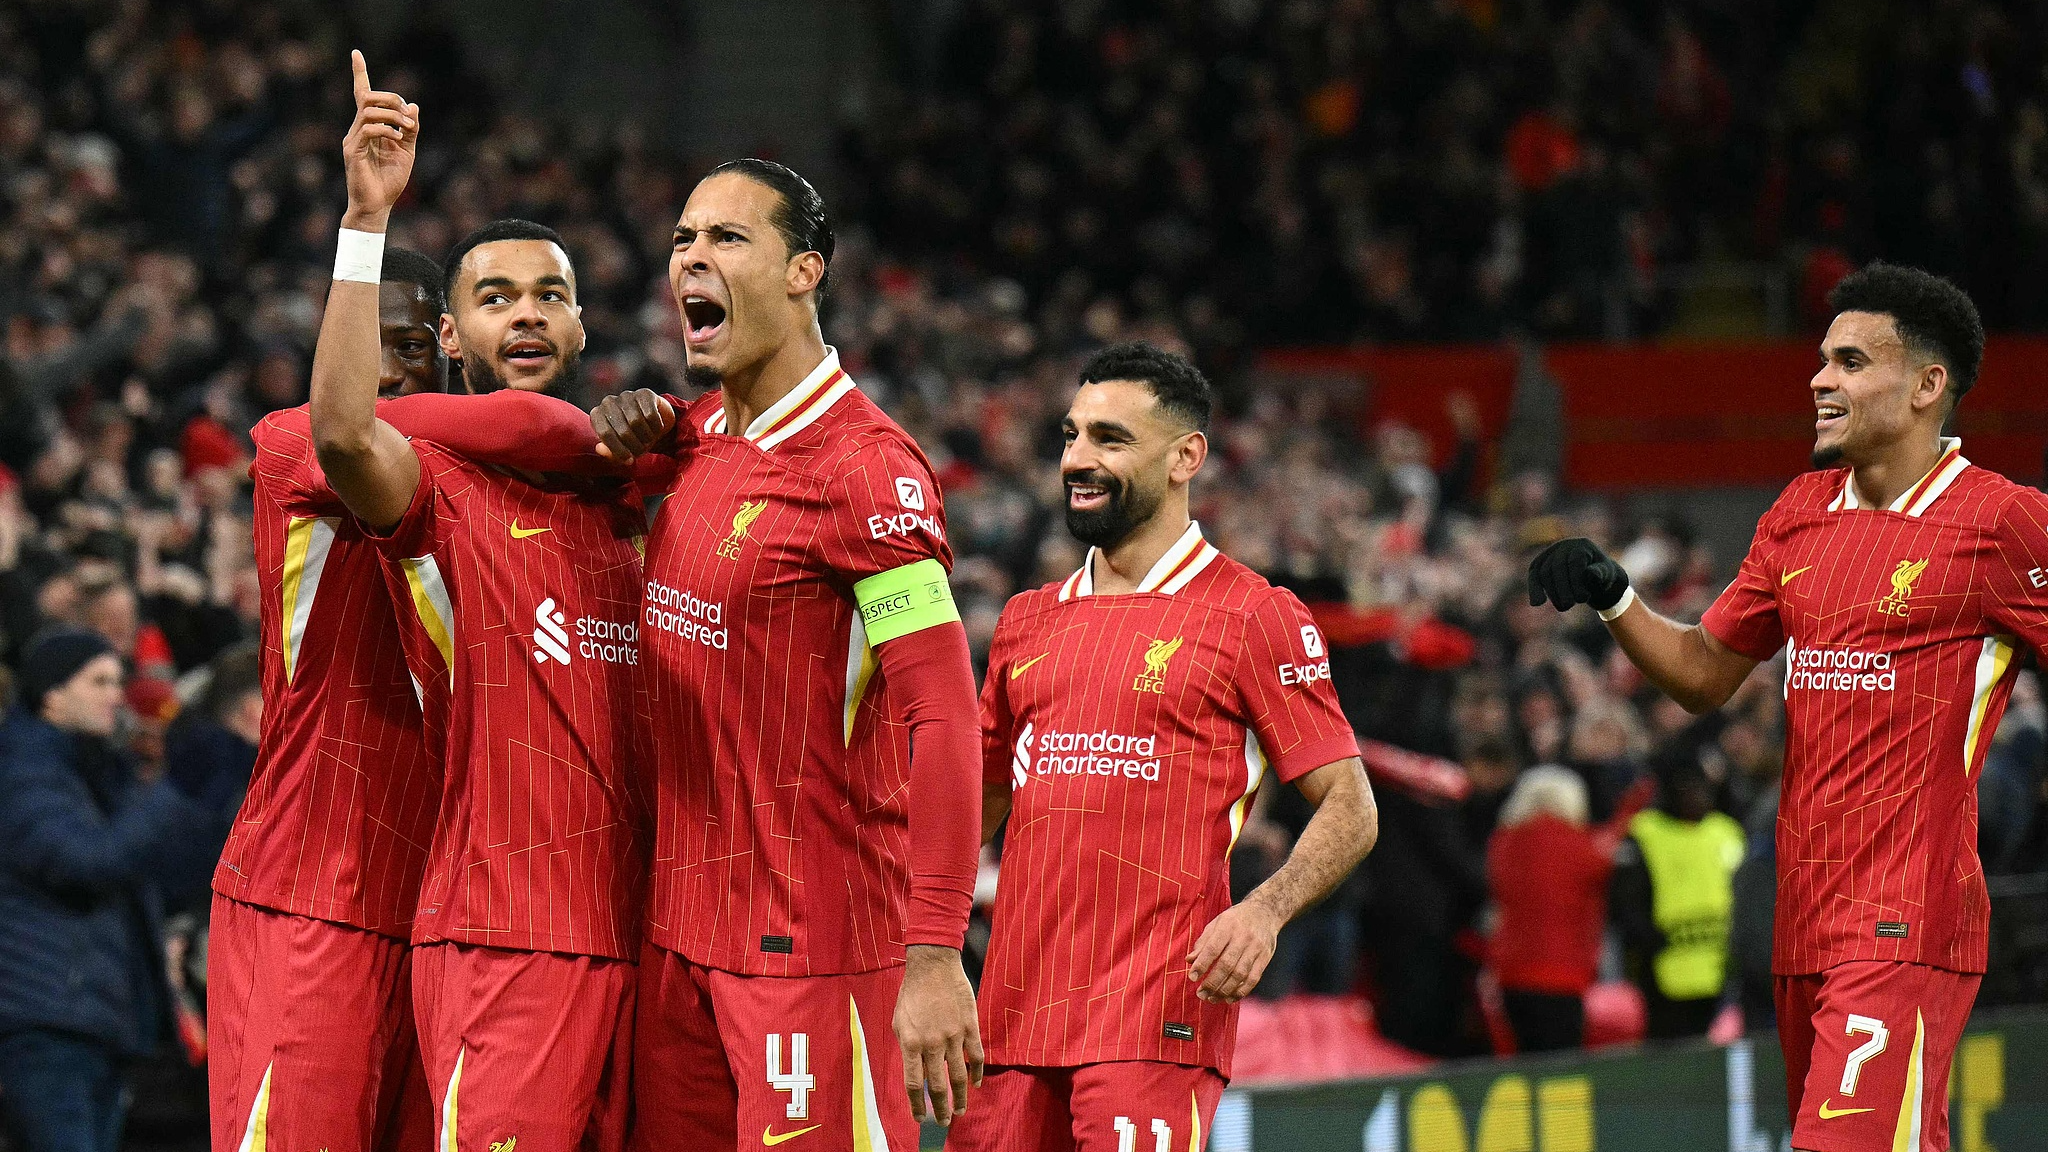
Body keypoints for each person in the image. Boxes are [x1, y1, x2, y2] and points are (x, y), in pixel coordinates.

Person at [1528, 262, 2048, 1152]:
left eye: (1850, 361)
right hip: (1800, 921)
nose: (1819, 379)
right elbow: (1703, 673)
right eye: (1822, 359)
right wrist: (1616, 597)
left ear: (1928, 386)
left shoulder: (2002, 523)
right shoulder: (1798, 514)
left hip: (1906, 921)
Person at [586, 158, 984, 1148]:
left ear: (805, 271)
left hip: (814, 953)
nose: (691, 257)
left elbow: (943, 716)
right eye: (682, 239)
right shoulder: (690, 438)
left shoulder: (869, 475)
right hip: (676, 943)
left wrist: (933, 954)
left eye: (726, 238)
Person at [305, 54, 646, 1151]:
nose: (527, 315)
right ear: (448, 340)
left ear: (585, 327)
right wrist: (367, 219)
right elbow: (346, 432)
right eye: (493, 299)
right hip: (507, 934)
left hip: (657, 934)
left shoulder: (644, 498)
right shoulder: (440, 489)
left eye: (551, 295)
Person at [944, 343, 1378, 1152]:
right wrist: (917, 949)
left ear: (1186, 458)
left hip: (1156, 1020)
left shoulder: (1254, 614)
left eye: (1109, 439)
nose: (1078, 458)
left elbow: (1352, 807)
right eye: (1071, 435)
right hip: (1008, 1024)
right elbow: (975, 805)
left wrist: (1264, 911)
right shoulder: (1026, 618)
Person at [0, 629, 196, 1152]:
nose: (117, 695)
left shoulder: (95, 770)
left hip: (93, 1020)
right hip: (47, 1024)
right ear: (51, 695)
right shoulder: (22, 772)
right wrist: (171, 794)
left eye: (118, 680)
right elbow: (85, 861)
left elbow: (150, 872)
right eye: (99, 681)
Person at [1487, 765, 1647, 1053]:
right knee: (1560, 1068)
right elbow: (1607, 850)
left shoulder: (1503, 843)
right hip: (1562, 977)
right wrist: (1630, 807)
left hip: (1510, 974)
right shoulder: (1578, 844)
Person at [1610, 757, 1744, 1040]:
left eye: (1702, 789)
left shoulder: (1726, 832)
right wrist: (1647, 943)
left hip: (1723, 970)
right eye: (1688, 790)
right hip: (1663, 972)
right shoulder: (1645, 833)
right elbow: (1628, 904)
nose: (1697, 798)